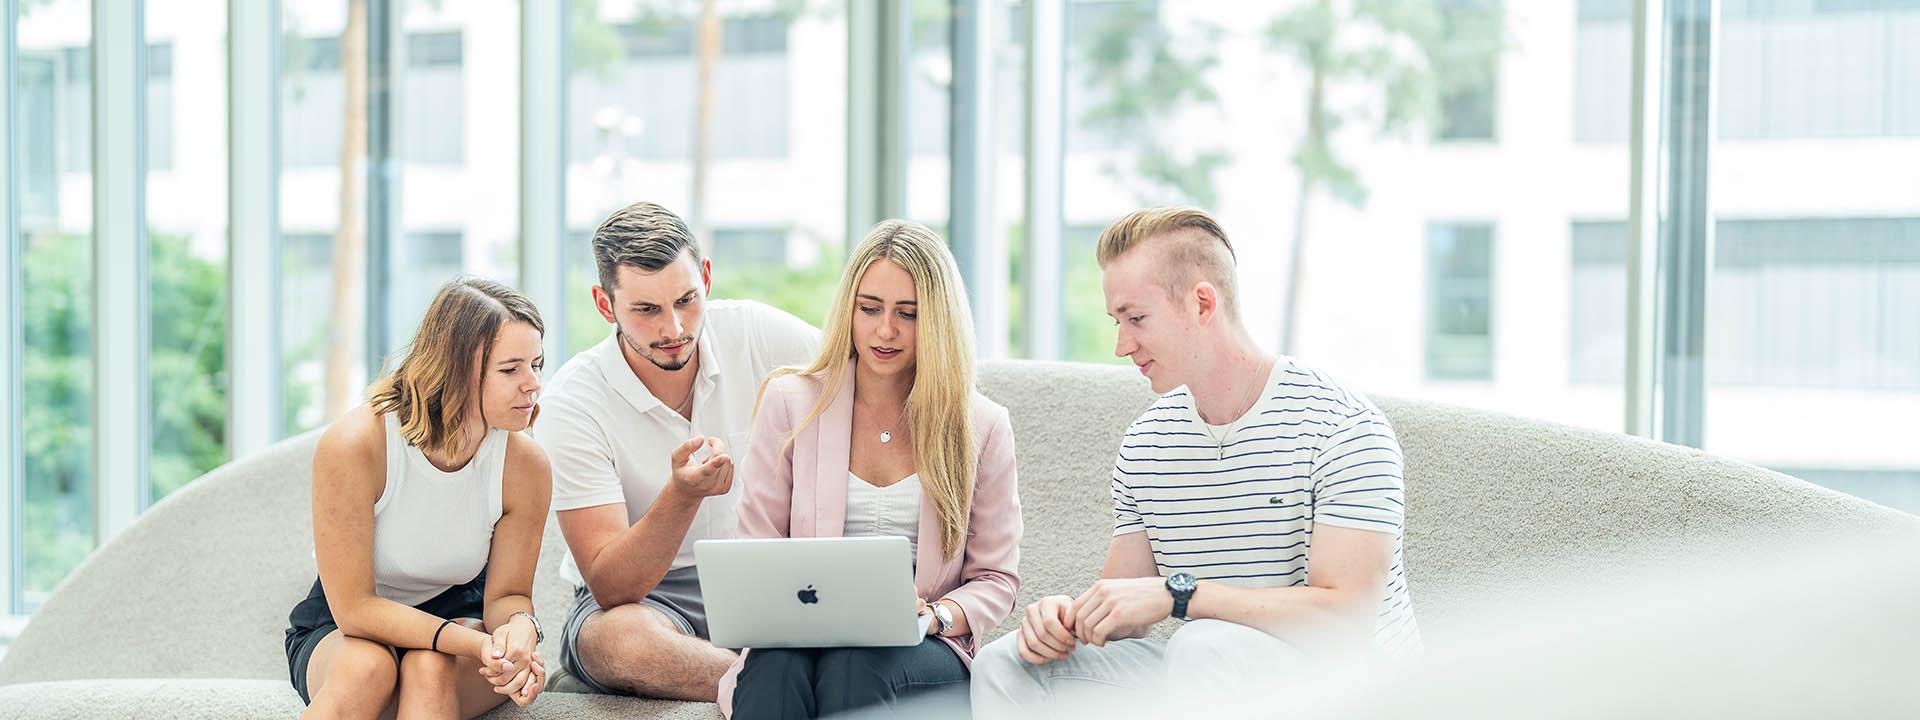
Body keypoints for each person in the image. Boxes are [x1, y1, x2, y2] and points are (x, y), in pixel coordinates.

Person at [970, 207, 1421, 715]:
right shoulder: (1148, 441)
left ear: (1202, 303)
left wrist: (1181, 596)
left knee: (1201, 644)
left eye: (1137, 318)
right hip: (1212, 672)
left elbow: (1345, 619)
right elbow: (1128, 608)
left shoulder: (1342, 426)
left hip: (1356, 689)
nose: (1121, 345)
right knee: (1007, 662)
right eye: (1117, 321)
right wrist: (1066, 619)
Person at [720, 220, 1023, 719]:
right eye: (870, 309)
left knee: (855, 664)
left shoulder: (981, 426)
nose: (886, 330)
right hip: (800, 634)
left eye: (908, 313)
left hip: (923, 646)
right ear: (849, 311)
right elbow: (757, 549)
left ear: (938, 320)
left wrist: (935, 618)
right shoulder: (792, 403)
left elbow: (996, 579)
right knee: (777, 666)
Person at [539, 201, 820, 700]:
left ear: (706, 278)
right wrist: (681, 496)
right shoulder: (573, 401)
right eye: (646, 310)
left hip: (760, 575)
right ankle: (776, 685)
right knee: (621, 642)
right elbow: (611, 585)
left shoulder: (755, 333)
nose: (674, 329)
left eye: (687, 300)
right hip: (647, 599)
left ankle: (768, 680)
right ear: (606, 306)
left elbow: (862, 377)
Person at [285, 276, 553, 718]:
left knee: (430, 669)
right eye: (511, 369)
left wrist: (520, 631)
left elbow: (507, 596)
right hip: (347, 624)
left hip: (458, 614)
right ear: (454, 367)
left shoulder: (526, 466)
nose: (533, 384)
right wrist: (479, 644)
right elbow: (354, 609)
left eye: (537, 365)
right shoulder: (356, 445)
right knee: (367, 668)